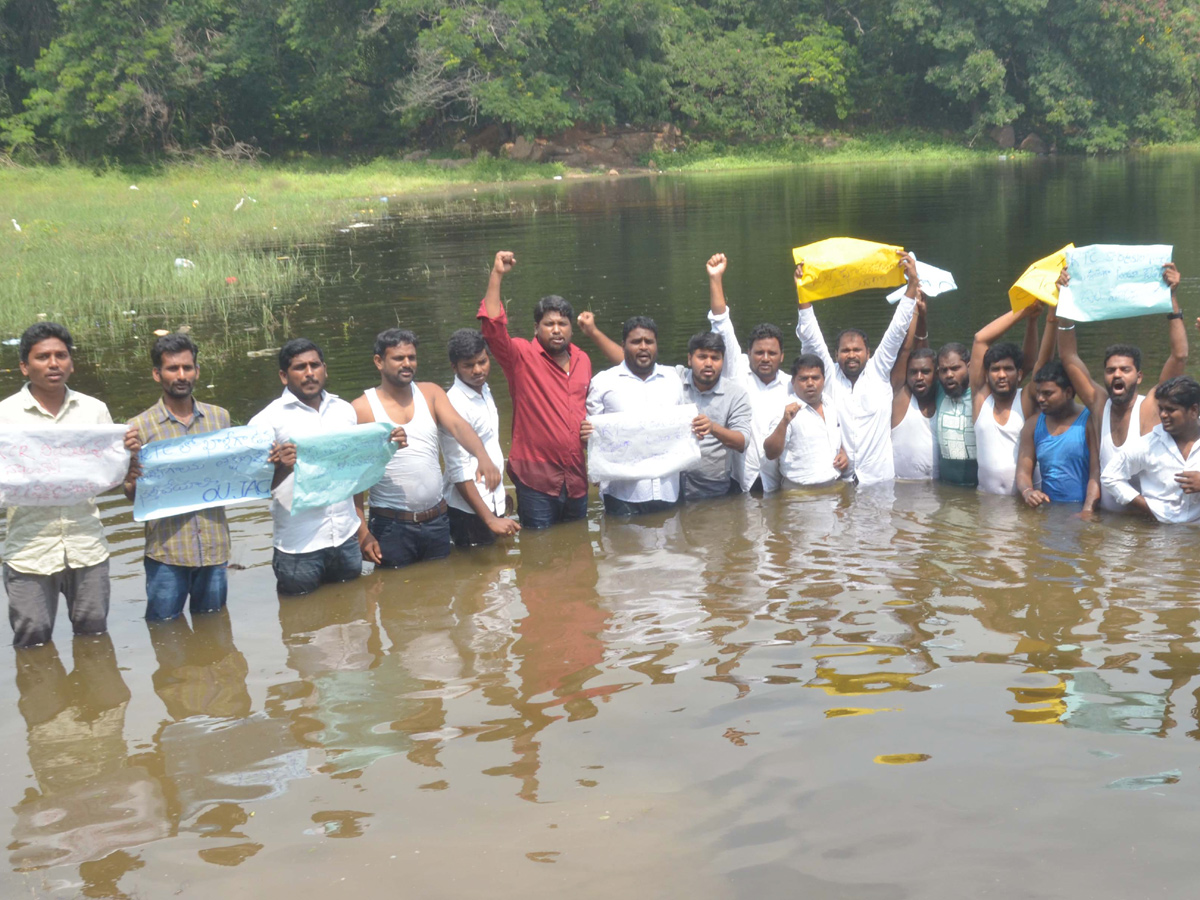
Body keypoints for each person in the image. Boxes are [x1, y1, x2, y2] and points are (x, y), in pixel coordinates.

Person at [0, 322, 140, 648]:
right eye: (42, 357)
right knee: (31, 641)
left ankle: (95, 700)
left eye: (61, 355)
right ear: (24, 366)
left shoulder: (94, 411)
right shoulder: (4, 418)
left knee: (94, 637)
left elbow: (107, 476)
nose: (53, 363)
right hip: (28, 552)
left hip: (87, 546)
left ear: (71, 363)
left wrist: (127, 452)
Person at [352, 329, 502, 567]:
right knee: (396, 596)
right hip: (391, 524)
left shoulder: (430, 393)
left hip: (437, 520)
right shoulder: (362, 409)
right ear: (379, 361)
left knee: (442, 593)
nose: (407, 364)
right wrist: (362, 531)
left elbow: (458, 426)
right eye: (399, 358)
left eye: (411, 357)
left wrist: (482, 456)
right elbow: (355, 479)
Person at [577, 316, 753, 501]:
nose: (708, 363)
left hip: (711, 488)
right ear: (689, 359)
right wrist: (593, 332)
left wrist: (713, 427)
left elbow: (742, 442)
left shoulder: (736, 394)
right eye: (702, 357)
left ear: (723, 361)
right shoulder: (673, 378)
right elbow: (635, 362)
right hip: (671, 484)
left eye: (715, 358)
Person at [1057, 263, 1188, 511]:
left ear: (1138, 377)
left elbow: (1179, 356)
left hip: (1148, 522)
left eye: (1124, 370)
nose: (1117, 374)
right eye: (1110, 370)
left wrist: (1171, 297)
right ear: (1104, 376)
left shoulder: (1151, 405)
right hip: (1109, 524)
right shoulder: (1098, 405)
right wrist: (1065, 301)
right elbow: (1068, 357)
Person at [477, 251, 592, 528]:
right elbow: (492, 328)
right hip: (536, 480)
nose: (556, 330)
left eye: (562, 323)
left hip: (576, 478)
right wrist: (497, 275)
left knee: (579, 553)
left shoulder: (583, 360)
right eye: (548, 324)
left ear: (571, 329)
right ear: (536, 328)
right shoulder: (521, 356)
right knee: (539, 554)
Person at [125, 334, 233, 621]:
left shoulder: (220, 419)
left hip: (214, 546)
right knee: (164, 629)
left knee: (214, 629)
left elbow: (233, 475)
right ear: (157, 374)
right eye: (173, 369)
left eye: (188, 367)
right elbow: (131, 494)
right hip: (167, 552)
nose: (181, 375)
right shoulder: (138, 428)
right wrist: (132, 477)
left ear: (197, 371)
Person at [249, 338, 367, 596]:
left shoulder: (345, 411)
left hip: (345, 538)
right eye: (300, 367)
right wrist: (282, 467)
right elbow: (254, 488)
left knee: (354, 621)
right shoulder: (266, 422)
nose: (310, 373)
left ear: (325, 369)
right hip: (298, 548)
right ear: (284, 376)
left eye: (315, 365)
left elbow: (356, 471)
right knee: (301, 626)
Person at [794, 252, 920, 486]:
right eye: (845, 351)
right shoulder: (827, 377)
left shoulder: (879, 370)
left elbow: (897, 330)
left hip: (880, 482)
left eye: (857, 350)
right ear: (836, 355)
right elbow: (811, 336)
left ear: (868, 353)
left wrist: (912, 285)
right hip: (838, 481)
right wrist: (802, 291)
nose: (851, 355)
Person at [582, 316, 687, 516]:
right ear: (623, 345)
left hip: (670, 490)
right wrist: (590, 444)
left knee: (673, 545)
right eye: (636, 342)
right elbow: (592, 438)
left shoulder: (672, 379)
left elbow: (680, 429)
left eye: (649, 341)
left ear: (656, 345)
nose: (643, 347)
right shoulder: (603, 382)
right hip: (623, 493)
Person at [705, 253, 792, 491]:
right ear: (748, 353)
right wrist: (716, 278)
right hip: (739, 480)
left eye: (772, 353)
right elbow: (722, 325)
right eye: (759, 353)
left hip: (780, 483)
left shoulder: (793, 385)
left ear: (782, 356)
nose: (765, 358)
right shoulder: (737, 375)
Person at [439, 328, 521, 547]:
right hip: (470, 511)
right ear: (454, 367)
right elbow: (458, 472)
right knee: (477, 571)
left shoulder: (483, 389)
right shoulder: (453, 405)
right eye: (468, 365)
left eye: (482, 362)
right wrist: (489, 518)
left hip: (493, 499)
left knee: (498, 572)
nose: (478, 370)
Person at [969, 302, 1055, 495]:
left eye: (1008, 369)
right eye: (995, 369)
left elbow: (1042, 362)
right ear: (987, 373)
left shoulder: (1025, 399)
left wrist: (1047, 318)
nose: (1001, 375)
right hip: (986, 504)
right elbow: (980, 340)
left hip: (1026, 501)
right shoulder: (980, 399)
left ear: (1019, 374)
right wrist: (1024, 312)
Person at [1101, 376, 1200, 523]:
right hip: (1159, 535)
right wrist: (1147, 507)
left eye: (1171, 410)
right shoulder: (1148, 445)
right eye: (1161, 409)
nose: (1163, 415)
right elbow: (1110, 477)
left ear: (1193, 410)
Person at [1015, 360, 1100, 511]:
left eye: (1047, 393)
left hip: (1086, 508)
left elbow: (1096, 472)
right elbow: (1023, 472)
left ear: (1068, 392)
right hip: (1050, 508)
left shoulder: (1089, 422)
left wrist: (1087, 512)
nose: (1040, 398)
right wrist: (1028, 492)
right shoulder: (1033, 425)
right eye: (1039, 392)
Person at [763, 354, 850, 487]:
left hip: (833, 488)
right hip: (799, 494)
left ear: (823, 380)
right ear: (793, 382)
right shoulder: (786, 411)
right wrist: (784, 422)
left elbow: (832, 438)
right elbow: (770, 453)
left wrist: (842, 453)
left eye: (815, 378)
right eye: (803, 379)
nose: (810, 383)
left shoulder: (829, 404)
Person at [889, 296, 937, 479]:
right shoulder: (901, 396)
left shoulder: (942, 397)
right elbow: (907, 351)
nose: (919, 377)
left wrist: (924, 318)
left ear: (936, 374)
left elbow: (924, 357)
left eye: (925, 372)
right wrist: (915, 312)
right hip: (903, 493)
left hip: (938, 494)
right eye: (913, 372)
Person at [933, 341, 977, 487]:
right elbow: (923, 357)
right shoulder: (940, 392)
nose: (949, 375)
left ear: (969, 367)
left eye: (955, 368)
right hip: (947, 489)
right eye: (943, 370)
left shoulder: (982, 394)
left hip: (980, 490)